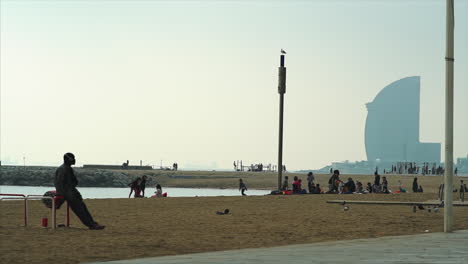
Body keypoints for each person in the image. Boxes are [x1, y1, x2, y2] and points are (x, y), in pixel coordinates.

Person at [54, 153, 104, 230]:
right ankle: (91, 224)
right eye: (72, 159)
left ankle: (92, 223)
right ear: (68, 160)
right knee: (80, 210)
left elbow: (69, 182)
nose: (74, 160)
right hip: (69, 194)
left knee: (83, 208)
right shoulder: (63, 169)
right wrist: (61, 194)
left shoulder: (67, 168)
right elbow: (59, 183)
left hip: (72, 192)